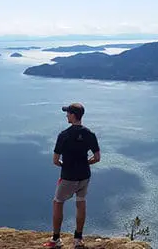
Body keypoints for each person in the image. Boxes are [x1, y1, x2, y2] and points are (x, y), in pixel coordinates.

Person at [44, 102, 101, 249]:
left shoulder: (64, 135)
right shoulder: (90, 134)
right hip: (84, 176)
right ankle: (78, 239)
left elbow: (56, 161)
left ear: (73, 115)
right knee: (81, 202)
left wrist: (66, 165)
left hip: (68, 176)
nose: (66, 115)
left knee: (57, 202)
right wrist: (85, 163)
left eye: (68, 113)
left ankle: (56, 239)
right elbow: (97, 157)